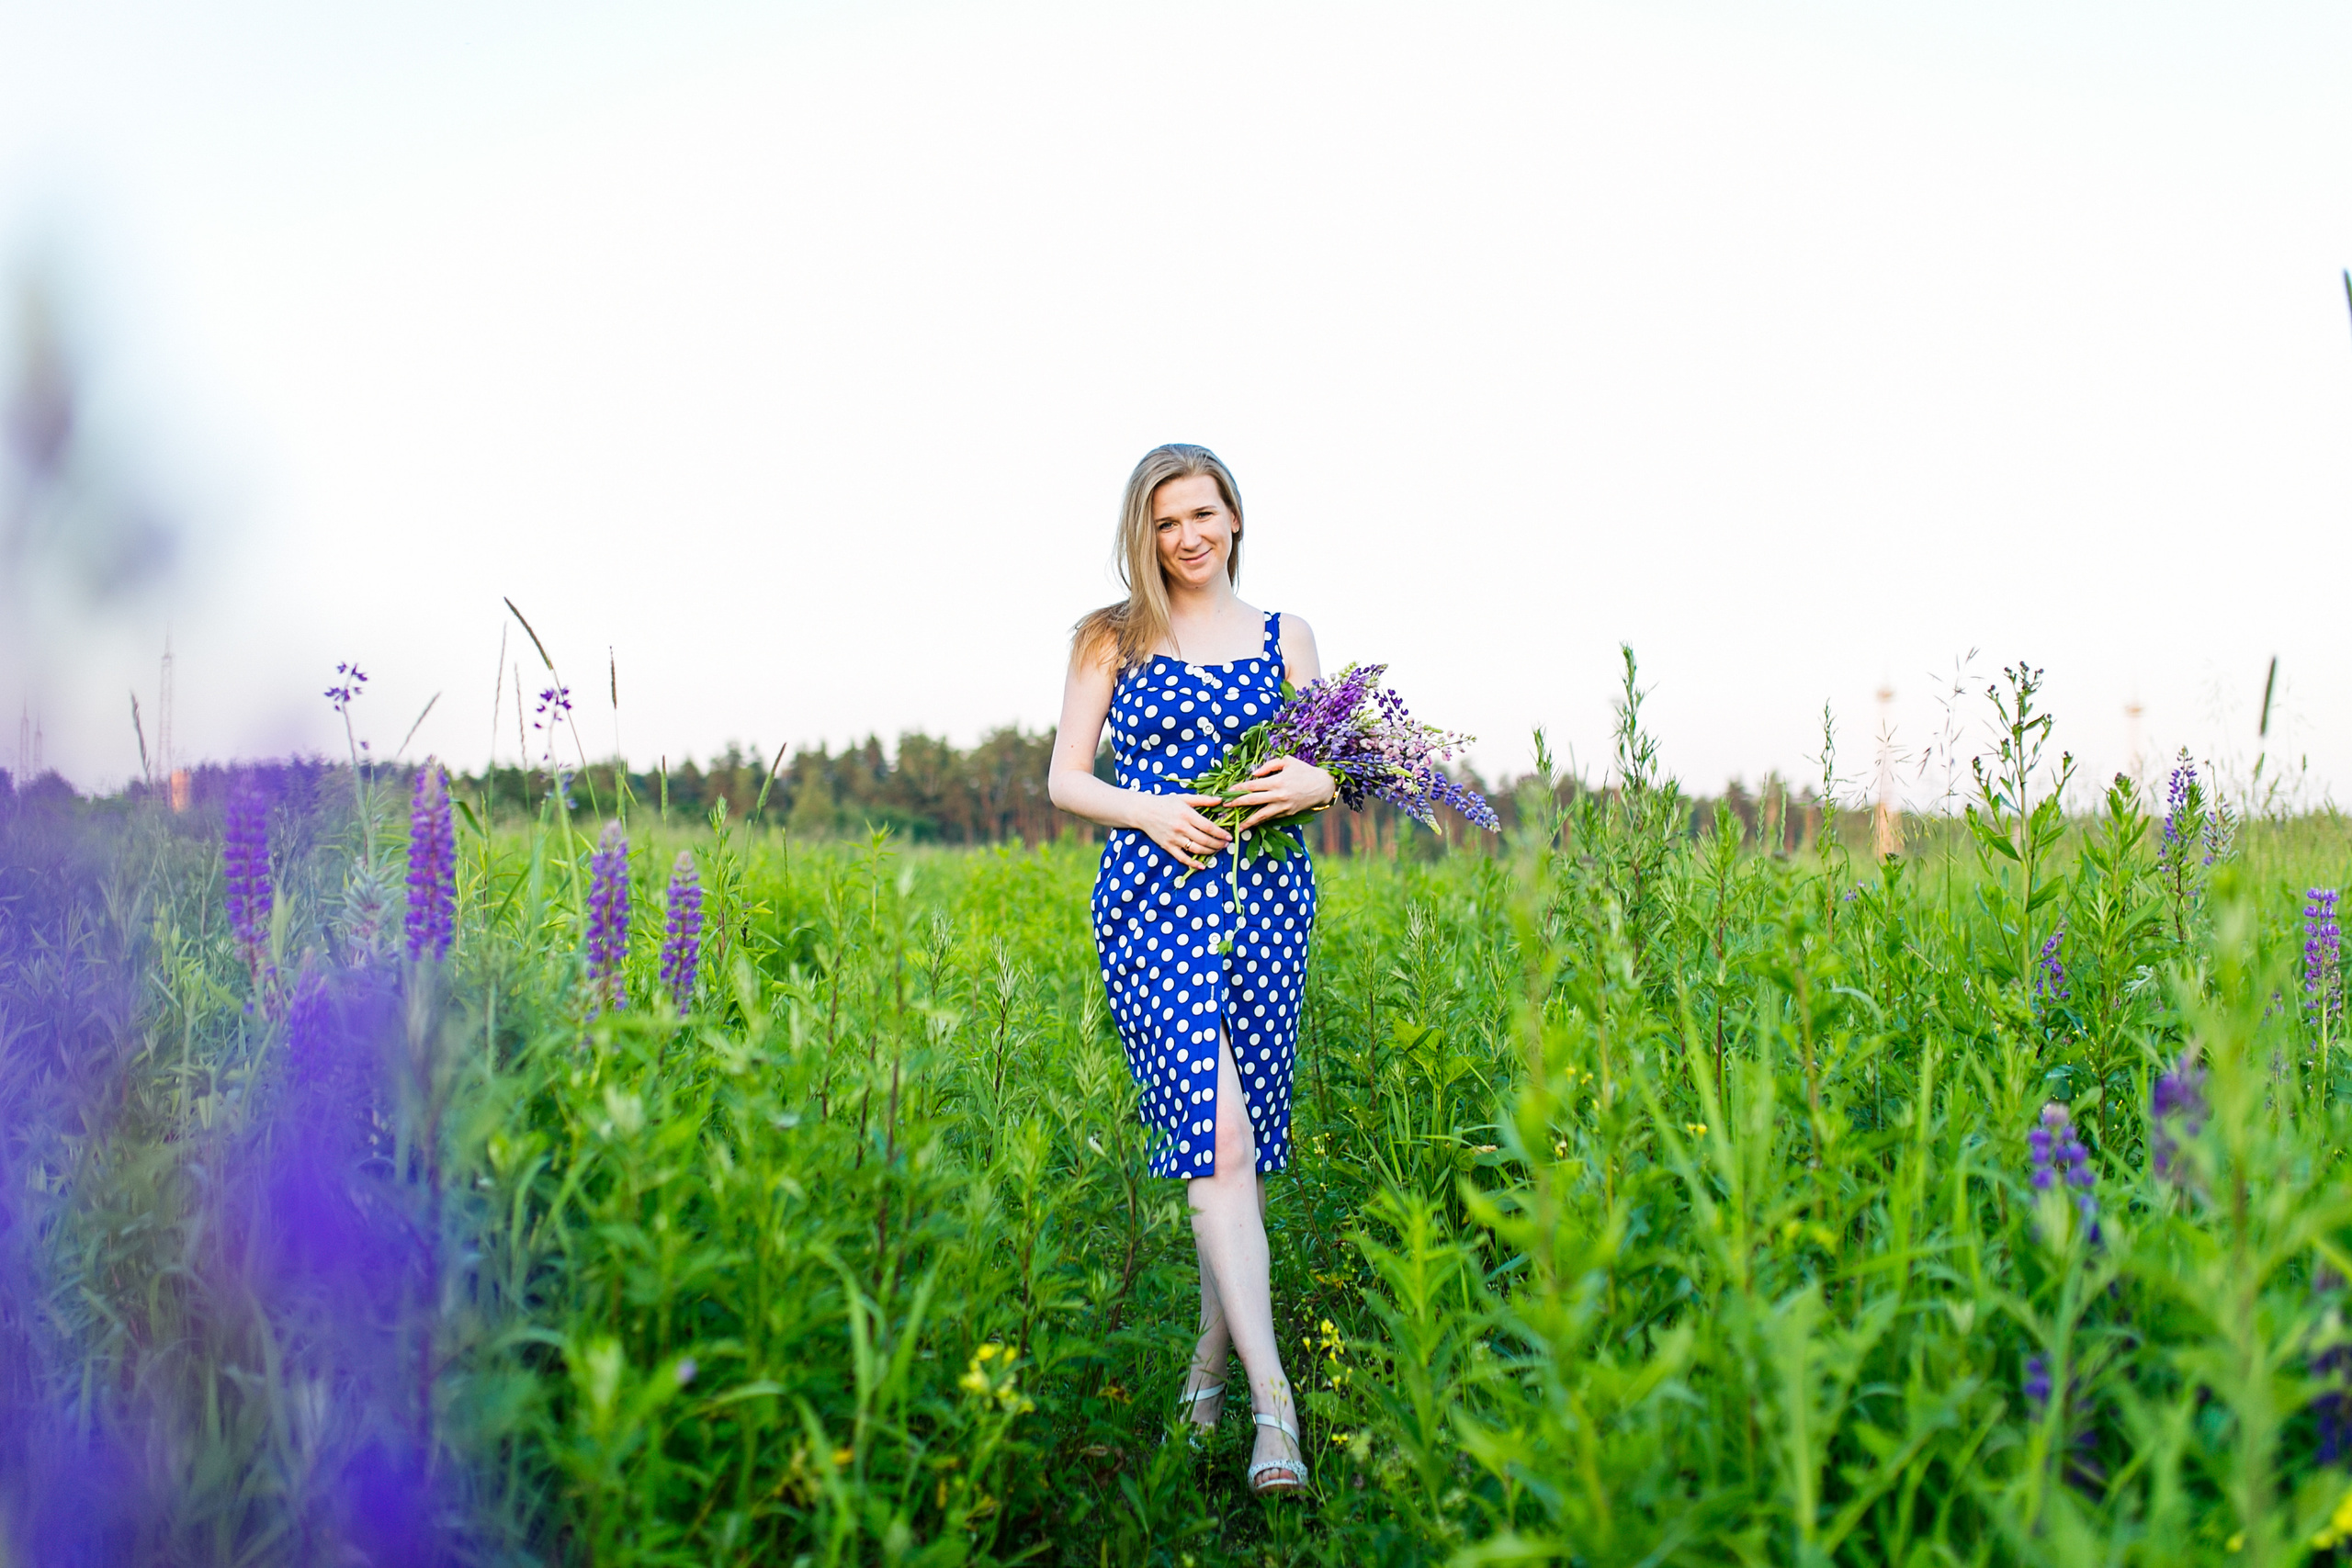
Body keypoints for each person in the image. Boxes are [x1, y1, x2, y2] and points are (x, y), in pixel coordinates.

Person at [1047, 444, 1336, 1496]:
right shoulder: (1109, 638)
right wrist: (1150, 808)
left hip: (1266, 903)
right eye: (1167, 520)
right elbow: (1065, 778)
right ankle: (1278, 1414)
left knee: (1236, 1162)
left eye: (1204, 513)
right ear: (1145, 532)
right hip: (1151, 903)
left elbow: (1333, 766)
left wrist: (1315, 780)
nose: (1188, 536)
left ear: (1235, 517)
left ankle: (1203, 1380)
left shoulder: (1286, 636)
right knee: (1215, 1139)